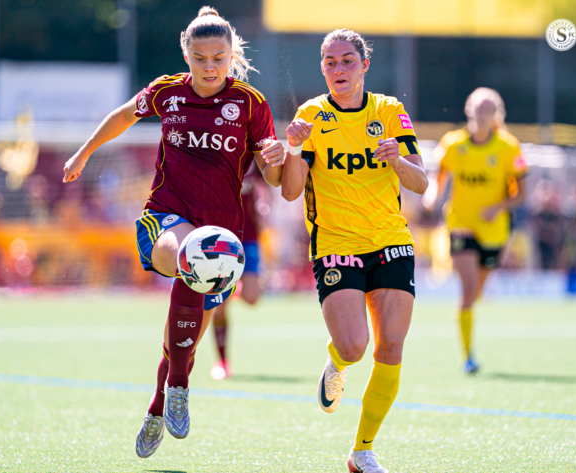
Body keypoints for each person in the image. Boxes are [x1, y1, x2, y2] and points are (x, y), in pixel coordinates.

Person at [62, 7, 284, 459]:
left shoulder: (251, 104)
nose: (209, 67)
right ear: (186, 55)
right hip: (166, 216)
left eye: (218, 58)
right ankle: (181, 385)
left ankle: (160, 402)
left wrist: (277, 158)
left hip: (226, 235)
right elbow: (125, 115)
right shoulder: (168, 93)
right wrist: (84, 152)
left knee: (181, 337)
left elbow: (271, 175)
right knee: (189, 257)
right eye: (199, 58)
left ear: (232, 55)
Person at [280, 29, 428, 473]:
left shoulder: (389, 110)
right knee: (354, 345)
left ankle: (362, 451)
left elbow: (421, 182)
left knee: (392, 349)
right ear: (322, 68)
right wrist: (292, 147)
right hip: (336, 243)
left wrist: (396, 161)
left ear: (365, 65)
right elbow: (290, 193)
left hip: (390, 240)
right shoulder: (310, 115)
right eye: (330, 62)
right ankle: (337, 360)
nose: (338, 69)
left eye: (347, 61)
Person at [429, 88, 528, 374]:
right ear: (469, 110)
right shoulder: (453, 143)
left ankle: (468, 331)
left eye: (488, 110)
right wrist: (433, 196)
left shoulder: (509, 147)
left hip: (494, 231)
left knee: (476, 293)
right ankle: (468, 356)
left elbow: (521, 193)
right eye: (477, 109)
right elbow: (441, 175)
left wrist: (498, 208)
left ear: (496, 114)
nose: (482, 115)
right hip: (461, 223)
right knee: (468, 290)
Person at [210, 162, 267, 380]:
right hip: (219, 236)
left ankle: (234, 287)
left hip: (249, 233)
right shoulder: (218, 149)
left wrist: (264, 206)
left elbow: (267, 184)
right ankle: (222, 361)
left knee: (252, 298)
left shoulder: (254, 154)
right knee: (219, 306)